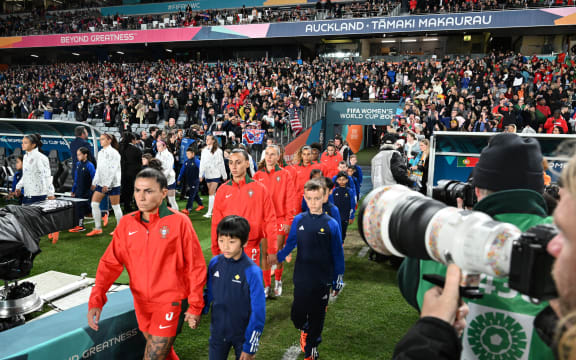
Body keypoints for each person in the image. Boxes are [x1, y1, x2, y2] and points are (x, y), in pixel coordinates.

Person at [398, 133, 555, 359]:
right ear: (540, 190)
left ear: (477, 190)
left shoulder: (441, 234)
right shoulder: (564, 239)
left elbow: (410, 287)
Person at [87, 168, 207, 360]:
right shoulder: (126, 224)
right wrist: (96, 298)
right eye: (137, 190)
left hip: (171, 301)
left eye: (148, 191)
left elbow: (196, 266)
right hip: (142, 303)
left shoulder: (179, 222)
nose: (141, 197)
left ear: (163, 193)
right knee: (163, 354)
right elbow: (110, 263)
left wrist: (195, 305)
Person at [271, 179, 344, 360]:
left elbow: (337, 254)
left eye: (317, 198)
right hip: (301, 277)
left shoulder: (331, 224)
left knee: (318, 316)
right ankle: (304, 328)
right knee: (297, 315)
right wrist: (277, 258)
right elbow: (290, 244)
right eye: (310, 198)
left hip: (322, 279)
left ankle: (311, 348)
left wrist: (337, 278)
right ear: (305, 197)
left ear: (324, 198)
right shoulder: (299, 220)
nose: (313, 202)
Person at [205, 215, 266, 360]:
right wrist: (199, 309)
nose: (225, 246)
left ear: (244, 242)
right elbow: (210, 293)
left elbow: (259, 311)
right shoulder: (214, 263)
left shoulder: (252, 272)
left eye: (231, 242)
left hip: (242, 336)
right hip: (217, 333)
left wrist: (250, 346)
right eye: (221, 241)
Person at [211, 148, 279, 271]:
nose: (234, 166)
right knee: (231, 286)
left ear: (247, 164)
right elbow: (216, 222)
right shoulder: (222, 190)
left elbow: (270, 220)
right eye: (231, 163)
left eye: (238, 162)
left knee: (249, 285)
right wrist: (216, 249)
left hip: (251, 246)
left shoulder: (260, 189)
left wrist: (272, 249)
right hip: (228, 247)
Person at [253, 144, 297, 297]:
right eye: (267, 154)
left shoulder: (285, 175)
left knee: (276, 252)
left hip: (279, 220)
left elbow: (291, 199)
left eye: (272, 154)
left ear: (278, 157)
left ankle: (278, 280)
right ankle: (267, 285)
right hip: (263, 222)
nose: (269, 157)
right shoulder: (258, 176)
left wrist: (288, 221)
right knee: (264, 254)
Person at [14, 134, 58, 241]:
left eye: (25, 142)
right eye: (22, 142)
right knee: (28, 218)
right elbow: (26, 174)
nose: (22, 144)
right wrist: (18, 186)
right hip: (28, 192)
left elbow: (46, 176)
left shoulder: (40, 158)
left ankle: (39, 236)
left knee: (32, 219)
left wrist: (50, 193)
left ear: (33, 145)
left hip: (38, 193)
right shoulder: (25, 156)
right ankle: (51, 230)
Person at [86, 133, 123, 237]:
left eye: (102, 139)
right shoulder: (101, 152)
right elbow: (99, 169)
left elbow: (113, 169)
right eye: (100, 139)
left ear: (109, 140)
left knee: (116, 206)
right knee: (94, 204)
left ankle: (119, 228)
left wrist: (107, 184)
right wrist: (95, 182)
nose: (100, 141)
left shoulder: (114, 153)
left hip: (113, 183)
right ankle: (98, 228)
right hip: (101, 183)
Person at [199, 134, 227, 218]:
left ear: (213, 140)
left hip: (216, 173)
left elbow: (221, 163)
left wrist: (224, 175)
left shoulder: (218, 151)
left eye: (208, 139)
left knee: (211, 192)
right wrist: (201, 174)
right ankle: (217, 210)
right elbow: (202, 163)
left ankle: (210, 212)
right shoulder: (204, 150)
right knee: (213, 193)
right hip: (207, 174)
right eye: (206, 139)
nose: (206, 140)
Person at [69, 147, 95, 232]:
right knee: (80, 207)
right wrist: (73, 190)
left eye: (79, 155)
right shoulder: (78, 165)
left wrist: (93, 185)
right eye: (77, 155)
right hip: (78, 190)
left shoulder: (90, 165)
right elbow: (76, 179)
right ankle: (103, 214)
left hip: (86, 190)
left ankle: (81, 226)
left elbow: (94, 177)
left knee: (82, 207)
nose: (78, 156)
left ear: (85, 155)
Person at [119, 133, 142, 213]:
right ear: (132, 140)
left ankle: (126, 207)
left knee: (126, 191)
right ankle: (137, 206)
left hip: (123, 173)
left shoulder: (121, 148)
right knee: (136, 190)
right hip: (134, 173)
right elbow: (139, 163)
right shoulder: (136, 150)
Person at [178, 147, 204, 214]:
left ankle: (188, 208)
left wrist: (202, 176)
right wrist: (179, 179)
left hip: (195, 181)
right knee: (193, 193)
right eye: (187, 154)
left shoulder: (197, 161)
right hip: (189, 181)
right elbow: (182, 171)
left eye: (189, 154)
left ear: (193, 154)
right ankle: (200, 205)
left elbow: (202, 169)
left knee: (191, 194)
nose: (187, 155)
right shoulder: (186, 162)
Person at [332, 171, 356, 242]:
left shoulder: (350, 191)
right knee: (336, 230)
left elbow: (352, 204)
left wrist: (351, 216)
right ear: (337, 180)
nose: (341, 181)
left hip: (345, 215)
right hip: (336, 215)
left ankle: (341, 242)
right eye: (339, 179)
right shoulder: (334, 191)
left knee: (343, 231)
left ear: (347, 180)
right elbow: (331, 204)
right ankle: (338, 245)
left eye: (343, 179)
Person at [156, 140, 179, 210]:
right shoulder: (157, 154)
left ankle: (177, 216)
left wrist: (162, 177)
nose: (158, 148)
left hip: (169, 180)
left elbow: (169, 168)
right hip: (161, 180)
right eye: (157, 146)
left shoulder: (169, 155)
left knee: (171, 200)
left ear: (164, 146)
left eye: (159, 146)